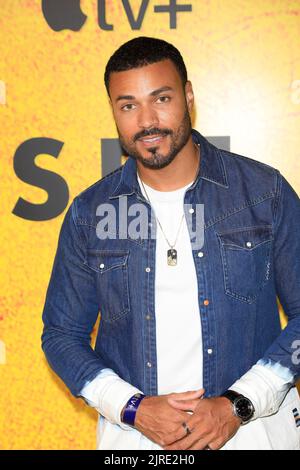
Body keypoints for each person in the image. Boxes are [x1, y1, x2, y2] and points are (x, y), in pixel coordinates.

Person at [41, 36, 300, 450]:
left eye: (161, 98)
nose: (147, 121)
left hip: (255, 432)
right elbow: (61, 335)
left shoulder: (263, 194)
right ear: (113, 111)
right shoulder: (90, 213)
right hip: (136, 439)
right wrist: (132, 407)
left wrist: (239, 404)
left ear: (189, 96)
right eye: (128, 105)